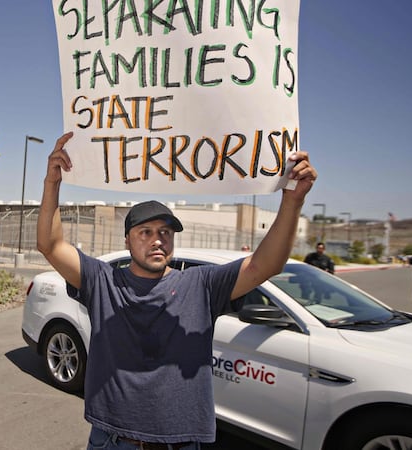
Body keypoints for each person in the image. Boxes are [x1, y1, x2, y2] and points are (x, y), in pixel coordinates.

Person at [37, 132, 317, 448]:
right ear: (127, 241)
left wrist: (293, 201)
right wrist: (52, 184)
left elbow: (264, 265)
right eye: (145, 232)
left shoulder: (200, 285)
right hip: (112, 441)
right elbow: (50, 244)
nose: (158, 239)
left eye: (165, 232)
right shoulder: (103, 281)